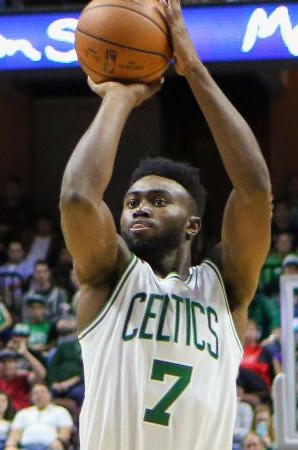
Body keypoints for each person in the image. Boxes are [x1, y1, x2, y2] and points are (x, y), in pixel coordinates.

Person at [59, 0, 271, 447]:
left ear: (193, 224)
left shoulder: (226, 287)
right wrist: (119, 98)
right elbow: (78, 198)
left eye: (158, 201)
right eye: (132, 201)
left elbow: (254, 190)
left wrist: (193, 69)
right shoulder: (109, 277)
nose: (139, 208)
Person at [0, 347, 45, 411]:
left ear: (16, 363)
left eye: (10, 361)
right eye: (3, 362)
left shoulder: (24, 376)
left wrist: (26, 353)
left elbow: (41, 375)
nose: (6, 365)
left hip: (20, 412)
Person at [4, 384, 72, 450]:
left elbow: (65, 432)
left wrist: (58, 441)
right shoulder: (23, 413)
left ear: (49, 395)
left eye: (42, 392)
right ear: (31, 397)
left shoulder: (60, 411)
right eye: (36, 393)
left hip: (50, 447)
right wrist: (12, 443)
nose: (39, 395)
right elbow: (15, 432)